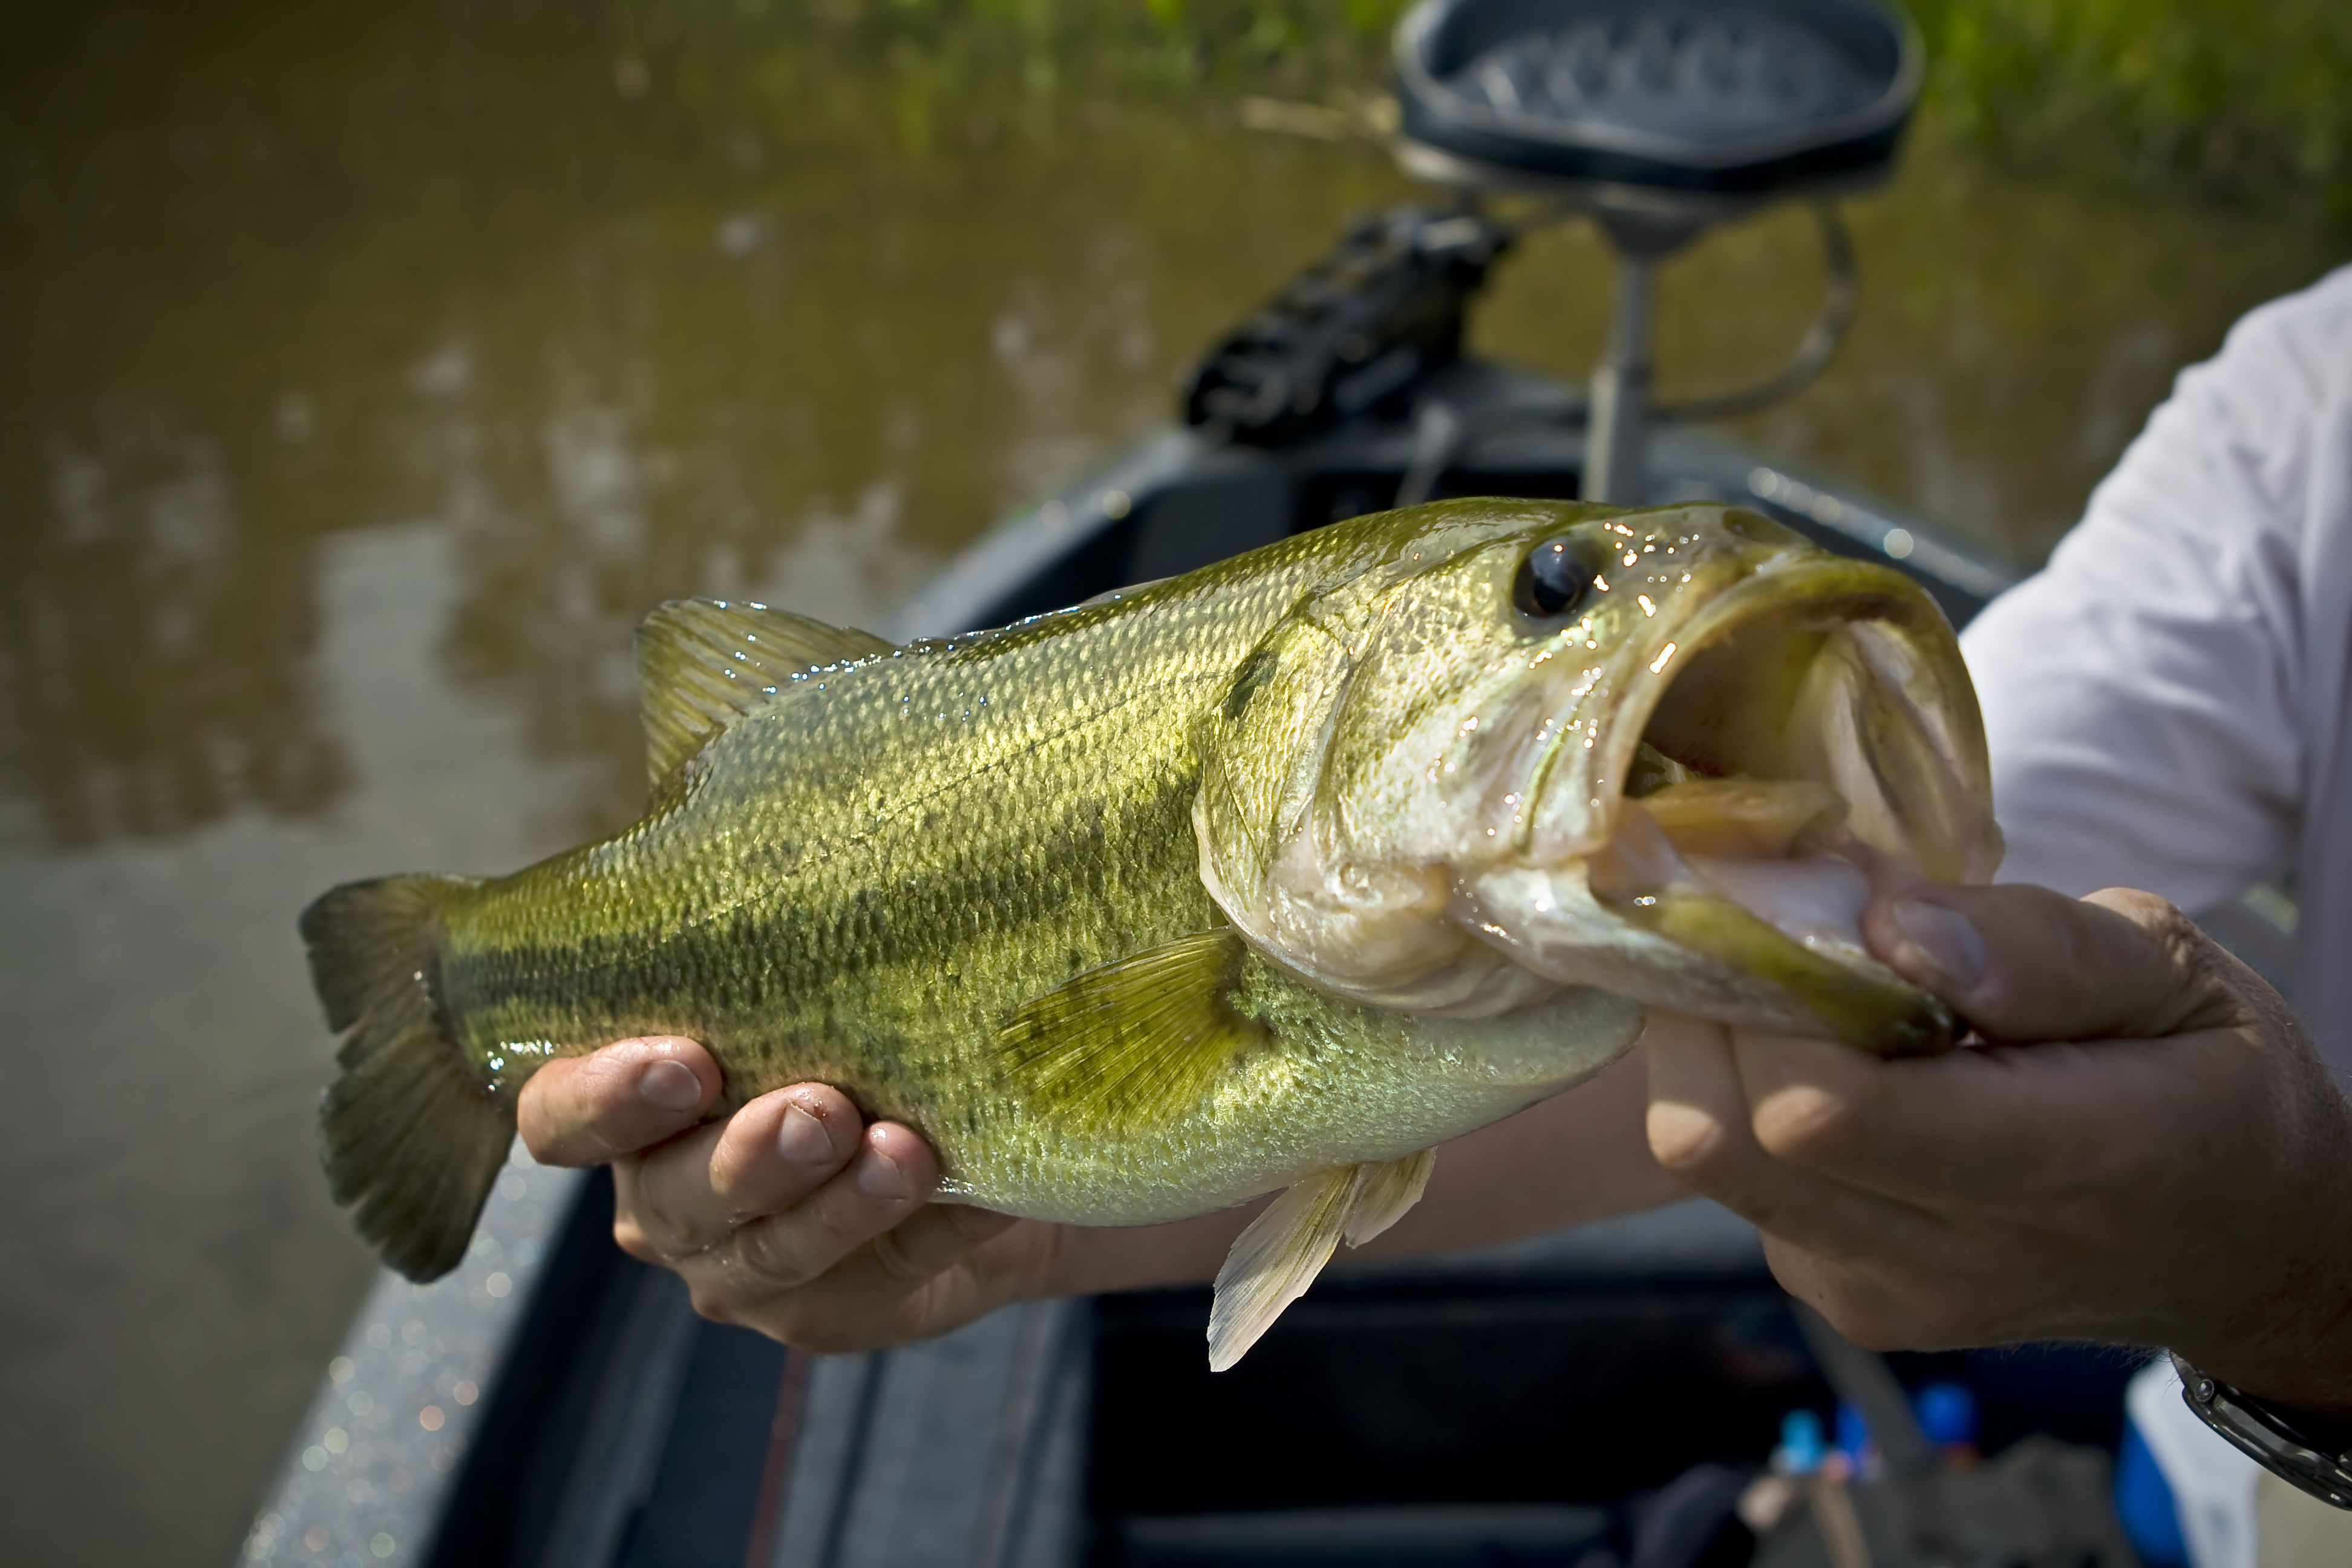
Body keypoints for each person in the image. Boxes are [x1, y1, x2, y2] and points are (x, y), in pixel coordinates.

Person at [514, 265, 2352, 1448]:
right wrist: (999, 1248)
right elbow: (1929, 875)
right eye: (1555, 594)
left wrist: (2300, 1271)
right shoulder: (2306, 411)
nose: (1621, 604)